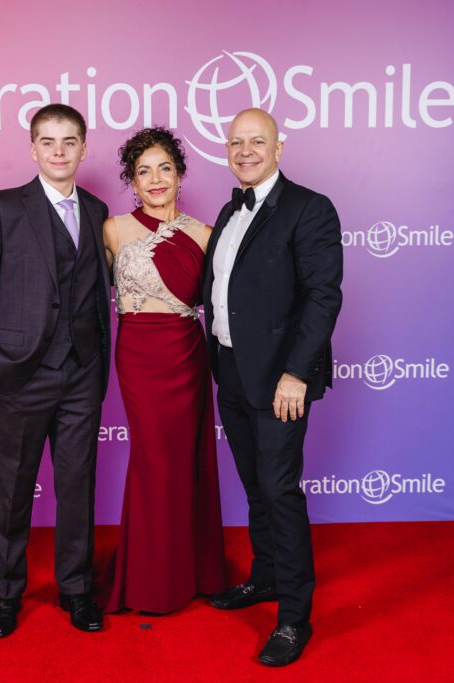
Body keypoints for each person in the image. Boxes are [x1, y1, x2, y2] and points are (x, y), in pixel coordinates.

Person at [0, 104, 110, 637]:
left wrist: (96, 364)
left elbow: (92, 293)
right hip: (19, 374)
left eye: (69, 142)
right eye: (48, 142)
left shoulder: (95, 209)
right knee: (13, 488)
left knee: (77, 485)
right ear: (33, 149)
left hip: (82, 374)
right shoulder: (3, 207)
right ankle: (6, 595)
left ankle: (76, 590)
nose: (59, 151)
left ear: (84, 148)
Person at [202, 109, 343, 666]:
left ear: (279, 148)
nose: (244, 151)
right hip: (232, 370)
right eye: (236, 143)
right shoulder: (228, 209)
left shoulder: (310, 208)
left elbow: (322, 296)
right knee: (257, 487)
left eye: (256, 142)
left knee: (280, 491)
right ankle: (264, 579)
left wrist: (296, 374)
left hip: (281, 379)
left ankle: (293, 617)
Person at [98, 127, 227, 614]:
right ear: (132, 180)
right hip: (138, 355)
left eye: (164, 168)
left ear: (180, 174)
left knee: (185, 460)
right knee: (154, 460)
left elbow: (222, 304)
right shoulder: (112, 229)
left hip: (185, 354)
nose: (155, 180)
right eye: (143, 171)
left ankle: (190, 569)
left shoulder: (206, 234)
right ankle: (149, 576)